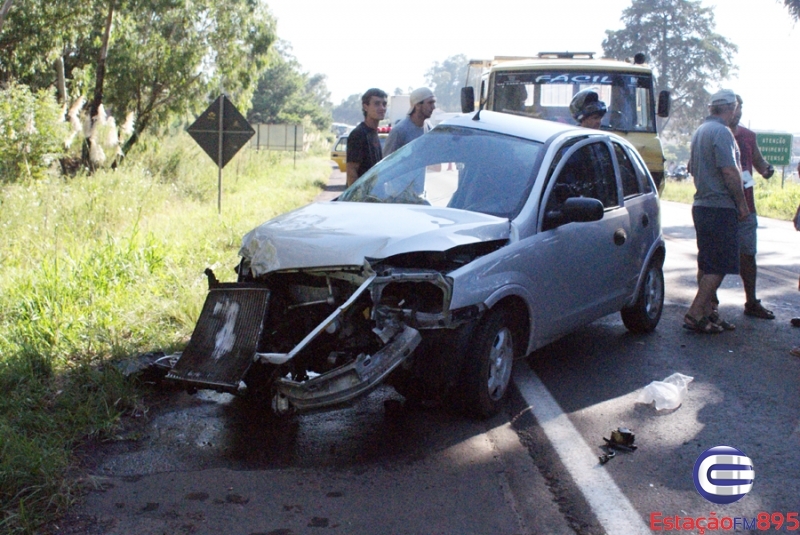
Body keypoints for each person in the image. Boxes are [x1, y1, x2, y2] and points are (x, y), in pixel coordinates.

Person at [683, 89, 749, 334]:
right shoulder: (722, 132)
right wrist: (742, 205)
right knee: (719, 265)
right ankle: (695, 312)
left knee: (708, 262)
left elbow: (691, 167)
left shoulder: (700, 131)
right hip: (719, 207)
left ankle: (709, 313)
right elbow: (730, 172)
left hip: (702, 204)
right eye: (736, 109)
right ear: (730, 108)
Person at [729, 94, 776, 319]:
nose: (738, 112)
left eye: (740, 108)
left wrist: (767, 170)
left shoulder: (748, 136)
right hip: (720, 205)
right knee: (712, 256)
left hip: (746, 206)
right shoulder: (713, 133)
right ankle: (710, 303)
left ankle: (751, 301)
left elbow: (758, 162)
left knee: (747, 254)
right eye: (734, 107)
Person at [346, 88, 388, 187]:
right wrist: (358, 199)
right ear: (365, 107)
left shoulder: (373, 132)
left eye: (384, 104)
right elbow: (351, 170)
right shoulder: (358, 134)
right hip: (362, 198)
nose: (382, 108)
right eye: (377, 104)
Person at [383, 87, 436, 156]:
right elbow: (387, 161)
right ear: (417, 105)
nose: (433, 107)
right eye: (430, 103)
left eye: (433, 103)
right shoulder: (399, 131)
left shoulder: (429, 128)